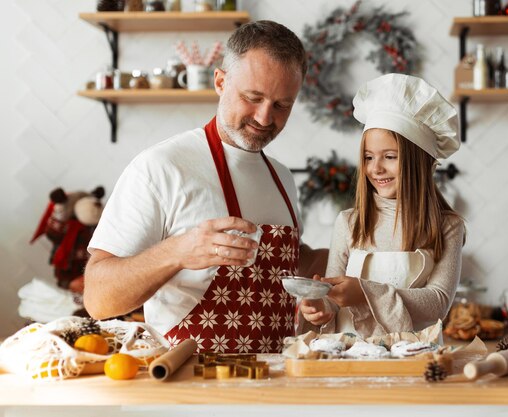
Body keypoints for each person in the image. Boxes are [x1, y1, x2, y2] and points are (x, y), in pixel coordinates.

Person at [84, 20, 327, 353]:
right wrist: (177, 252)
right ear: (220, 81)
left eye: (282, 105)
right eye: (253, 97)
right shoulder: (162, 167)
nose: (265, 118)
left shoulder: (282, 177)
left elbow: (282, 266)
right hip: (191, 390)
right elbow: (98, 298)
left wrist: (355, 248)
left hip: (273, 386)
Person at [299, 74, 466, 338]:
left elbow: (438, 303)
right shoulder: (349, 222)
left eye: (389, 157)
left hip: (412, 358)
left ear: (419, 162)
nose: (375, 169)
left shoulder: (447, 226)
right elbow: (333, 296)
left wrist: (366, 293)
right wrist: (321, 305)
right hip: (350, 356)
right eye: (368, 157)